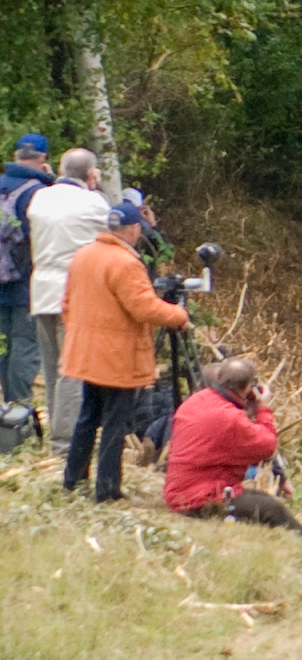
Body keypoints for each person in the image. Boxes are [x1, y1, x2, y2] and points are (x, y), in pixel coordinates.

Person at [60, 198, 188, 499]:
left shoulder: (84, 254)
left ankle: (73, 480)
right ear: (132, 229)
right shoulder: (126, 263)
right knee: (116, 424)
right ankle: (107, 489)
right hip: (116, 356)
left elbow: (66, 303)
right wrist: (179, 315)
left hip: (87, 351)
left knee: (88, 417)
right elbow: (144, 308)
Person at [164, 358, 302, 554]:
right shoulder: (231, 417)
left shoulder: (198, 399)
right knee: (271, 508)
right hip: (197, 499)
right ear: (248, 387)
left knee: (259, 497)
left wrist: (246, 407)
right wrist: (263, 408)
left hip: (182, 489)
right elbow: (266, 445)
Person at [26, 147, 110, 453]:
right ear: (91, 175)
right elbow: (111, 229)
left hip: (41, 290)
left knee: (52, 370)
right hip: (74, 293)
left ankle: (57, 435)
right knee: (73, 370)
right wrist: (95, 187)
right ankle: (66, 442)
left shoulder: (40, 198)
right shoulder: (93, 202)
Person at [1, 135, 53, 411]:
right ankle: (20, 408)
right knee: (24, 345)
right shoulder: (37, 192)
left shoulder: (1, 184)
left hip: (1, 281)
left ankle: (7, 411)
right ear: (43, 158)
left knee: (4, 346)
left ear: (16, 154)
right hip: (24, 282)